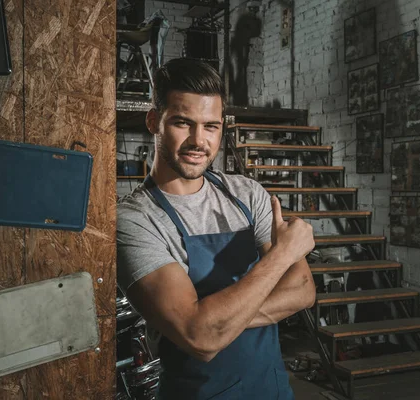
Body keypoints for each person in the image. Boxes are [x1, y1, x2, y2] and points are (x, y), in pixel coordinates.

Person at [117, 58, 316, 400]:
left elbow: (302, 291)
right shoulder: (135, 221)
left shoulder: (245, 194)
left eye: (211, 126)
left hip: (271, 389)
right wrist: (282, 254)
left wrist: (216, 321)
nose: (199, 140)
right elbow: (201, 339)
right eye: (183, 122)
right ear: (154, 121)